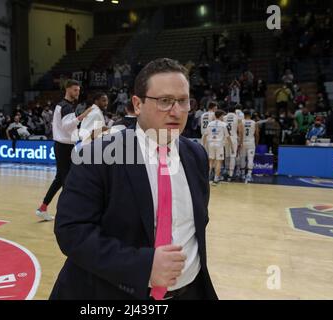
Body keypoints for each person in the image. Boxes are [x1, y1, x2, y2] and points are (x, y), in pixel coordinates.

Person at [50, 58, 218, 300]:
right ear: (137, 105)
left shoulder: (196, 155)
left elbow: (195, 224)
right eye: (164, 101)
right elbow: (71, 232)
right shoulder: (98, 156)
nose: (176, 111)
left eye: (183, 101)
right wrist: (143, 266)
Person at [35, 80, 93, 221]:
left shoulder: (62, 106)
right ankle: (69, 213)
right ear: (67, 89)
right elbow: (67, 127)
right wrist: (82, 116)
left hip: (64, 146)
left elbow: (67, 128)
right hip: (64, 147)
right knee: (68, 181)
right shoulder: (66, 107)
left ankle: (43, 208)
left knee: (60, 180)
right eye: (75, 90)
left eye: (78, 90)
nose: (77, 93)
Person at [203, 110, 232, 186]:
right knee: (219, 162)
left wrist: (203, 144)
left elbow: (205, 135)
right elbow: (228, 137)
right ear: (221, 116)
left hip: (210, 143)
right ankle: (216, 179)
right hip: (219, 144)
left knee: (211, 162)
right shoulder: (223, 124)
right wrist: (231, 146)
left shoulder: (210, 124)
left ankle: (207, 179)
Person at [224, 105, 243, 182]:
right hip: (233, 138)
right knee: (232, 156)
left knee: (227, 156)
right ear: (235, 111)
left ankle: (226, 171)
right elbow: (240, 131)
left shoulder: (224, 117)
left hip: (226, 138)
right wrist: (240, 141)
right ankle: (230, 175)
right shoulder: (237, 118)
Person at [240, 110, 260, 184]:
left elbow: (240, 133)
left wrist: (240, 142)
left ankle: (242, 174)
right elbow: (257, 134)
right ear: (250, 115)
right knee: (250, 158)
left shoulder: (241, 122)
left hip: (243, 142)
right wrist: (257, 143)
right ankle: (249, 174)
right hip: (251, 142)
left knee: (242, 158)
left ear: (244, 115)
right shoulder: (254, 123)